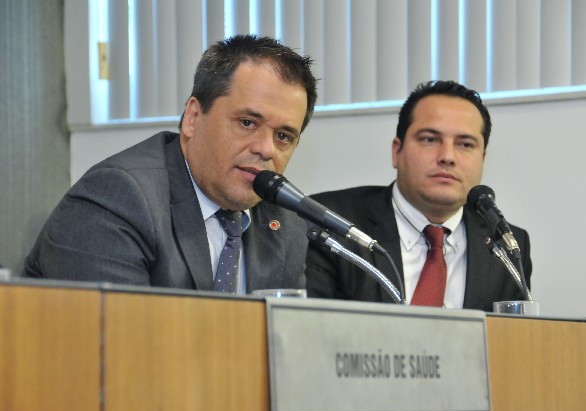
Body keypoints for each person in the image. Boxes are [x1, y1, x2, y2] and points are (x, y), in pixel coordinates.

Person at [24, 34, 318, 294]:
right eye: (247, 122)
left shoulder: (285, 225)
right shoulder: (118, 198)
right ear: (193, 118)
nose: (265, 149)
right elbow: (115, 335)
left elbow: (287, 334)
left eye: (283, 136)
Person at [305, 80, 532, 312]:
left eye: (465, 144)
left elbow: (512, 333)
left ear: (482, 159)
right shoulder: (330, 220)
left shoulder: (509, 246)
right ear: (397, 151)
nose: (447, 156)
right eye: (430, 139)